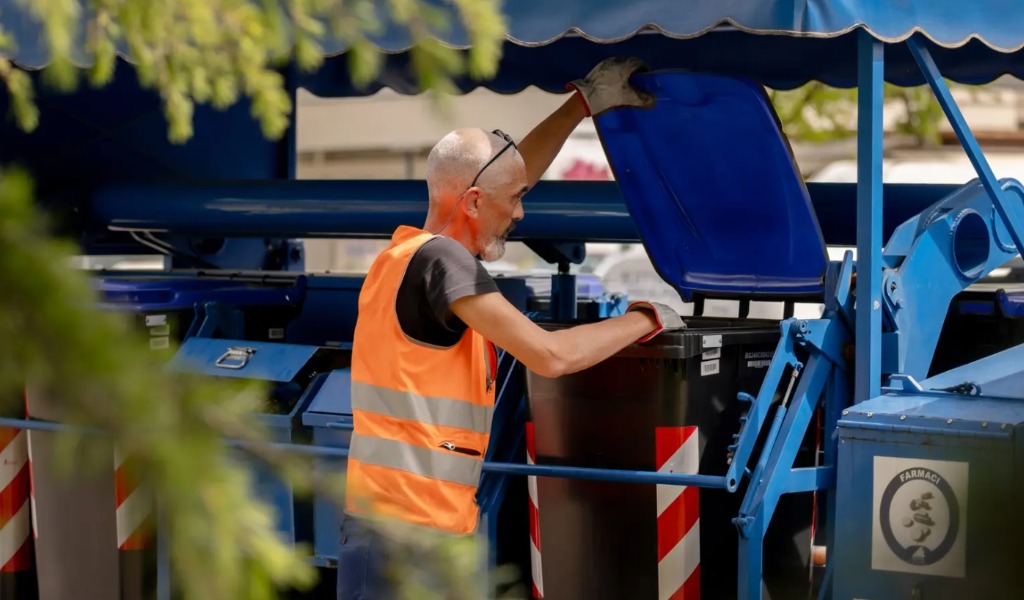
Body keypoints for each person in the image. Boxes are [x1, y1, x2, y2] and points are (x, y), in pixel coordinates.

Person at [337, 57, 686, 599]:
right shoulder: (445, 265)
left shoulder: (400, 256)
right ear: (474, 203)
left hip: (402, 525)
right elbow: (549, 355)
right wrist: (646, 318)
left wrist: (581, 105)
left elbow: (503, 175)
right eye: (515, 201)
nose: (522, 214)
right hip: (412, 538)